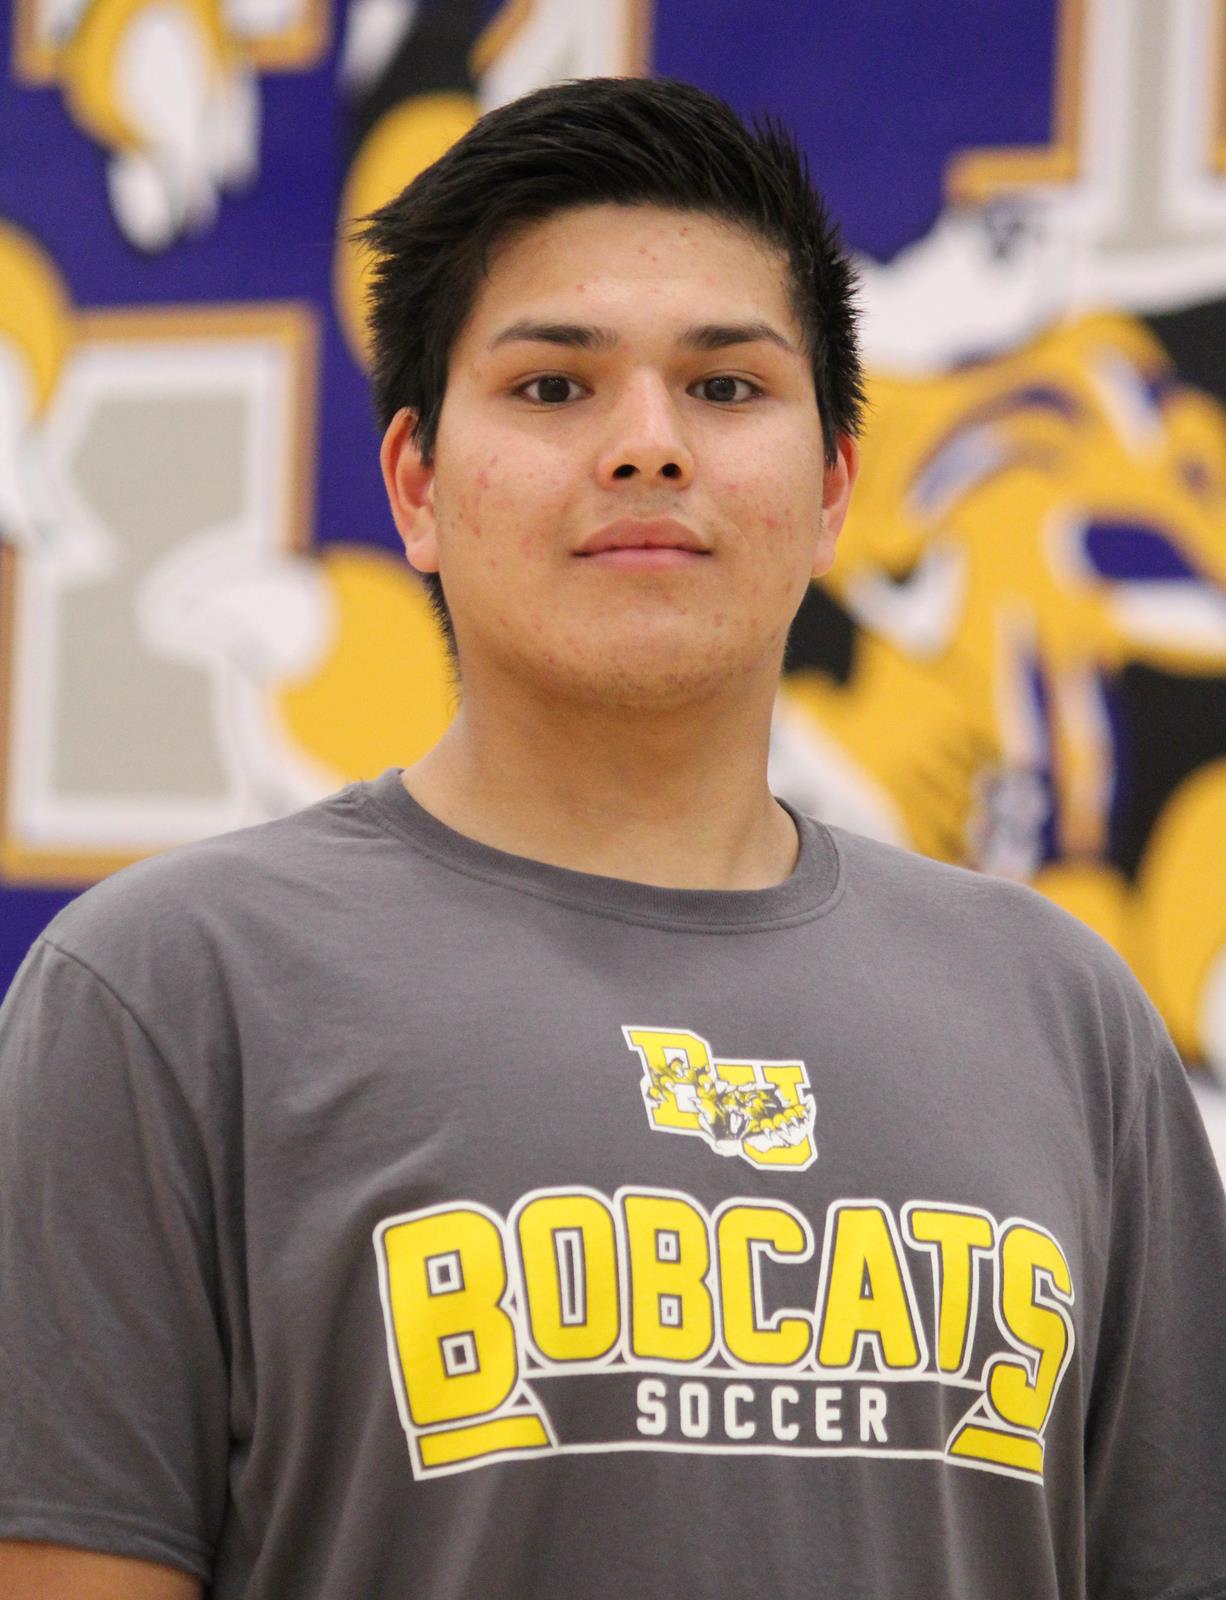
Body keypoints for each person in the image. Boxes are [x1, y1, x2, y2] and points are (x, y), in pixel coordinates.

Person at [1, 74, 1224, 1600]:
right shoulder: (166, 993)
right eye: (551, 388)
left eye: (725, 387)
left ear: (832, 486)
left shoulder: (1064, 1016)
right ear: (415, 487)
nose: (648, 445)